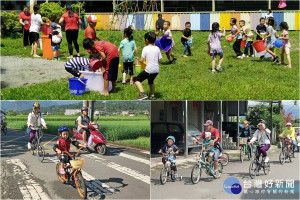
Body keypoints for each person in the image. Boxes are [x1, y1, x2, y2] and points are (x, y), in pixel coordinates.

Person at [134, 32, 162, 100]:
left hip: (148, 70)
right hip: (156, 70)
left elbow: (141, 60)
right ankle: (152, 96)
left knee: (137, 80)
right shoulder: (157, 48)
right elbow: (160, 59)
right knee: (151, 82)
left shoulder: (145, 48)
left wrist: (138, 60)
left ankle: (142, 94)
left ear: (146, 40)